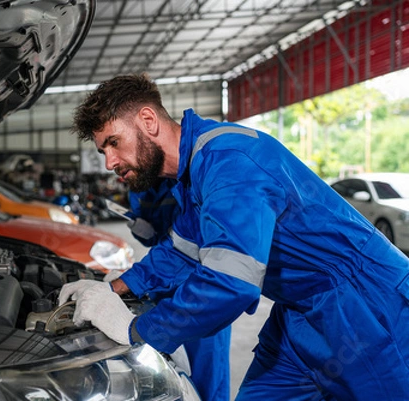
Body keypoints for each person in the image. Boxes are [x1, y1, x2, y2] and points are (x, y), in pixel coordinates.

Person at [59, 73, 409, 400]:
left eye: (113, 143)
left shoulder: (229, 162)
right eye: (104, 150)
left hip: (368, 308)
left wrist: (136, 329)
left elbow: (231, 282)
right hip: (300, 316)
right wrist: (111, 288)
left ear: (148, 122)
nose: (109, 162)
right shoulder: (195, 173)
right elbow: (182, 252)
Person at [124, 178, 231, 401]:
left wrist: (130, 281)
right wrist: (140, 230)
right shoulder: (137, 184)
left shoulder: (191, 179)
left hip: (200, 290)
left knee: (207, 373)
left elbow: (187, 247)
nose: (111, 164)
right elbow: (158, 239)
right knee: (170, 373)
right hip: (161, 285)